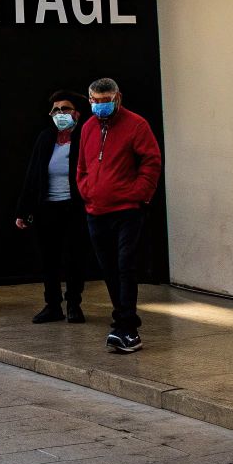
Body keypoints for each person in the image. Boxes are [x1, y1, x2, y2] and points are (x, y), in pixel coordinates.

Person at [74, 76, 161, 355]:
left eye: (106, 101)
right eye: (95, 101)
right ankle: (122, 321)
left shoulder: (136, 125)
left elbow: (151, 161)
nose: (100, 106)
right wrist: (87, 191)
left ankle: (127, 327)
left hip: (126, 210)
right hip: (96, 210)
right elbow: (82, 167)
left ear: (117, 98)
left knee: (126, 266)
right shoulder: (87, 127)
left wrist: (138, 194)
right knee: (109, 268)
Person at [15, 90, 88, 324]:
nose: (60, 113)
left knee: (74, 258)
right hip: (47, 207)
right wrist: (22, 210)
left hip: (74, 208)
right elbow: (33, 174)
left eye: (65, 109)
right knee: (49, 259)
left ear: (76, 113)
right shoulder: (45, 138)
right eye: (55, 110)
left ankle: (74, 305)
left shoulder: (84, 137)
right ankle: (53, 306)